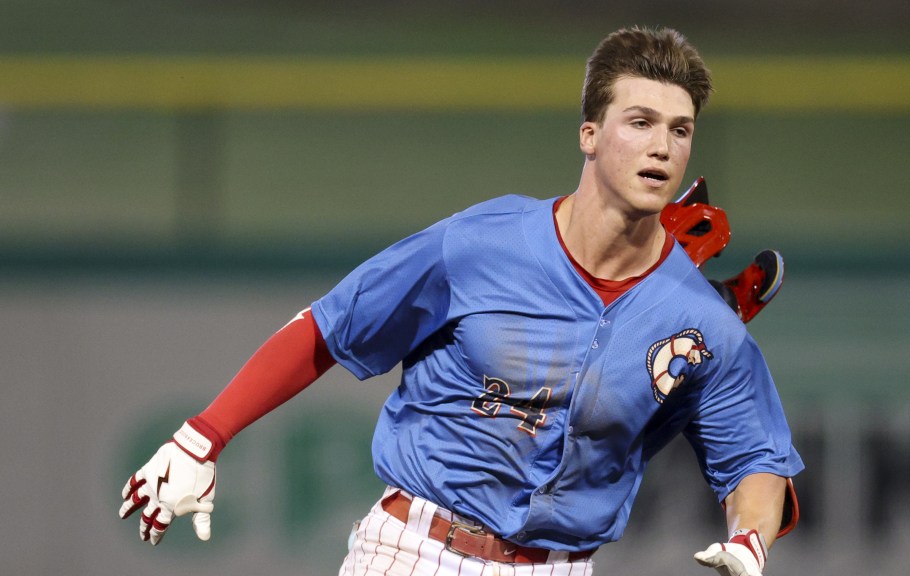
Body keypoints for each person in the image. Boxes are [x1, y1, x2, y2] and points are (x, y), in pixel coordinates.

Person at [119, 26, 803, 576]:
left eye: (679, 130)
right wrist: (202, 436)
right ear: (589, 135)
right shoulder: (482, 244)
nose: (661, 145)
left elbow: (756, 461)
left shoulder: (702, 324)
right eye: (640, 121)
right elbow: (330, 328)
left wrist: (751, 541)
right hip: (415, 551)